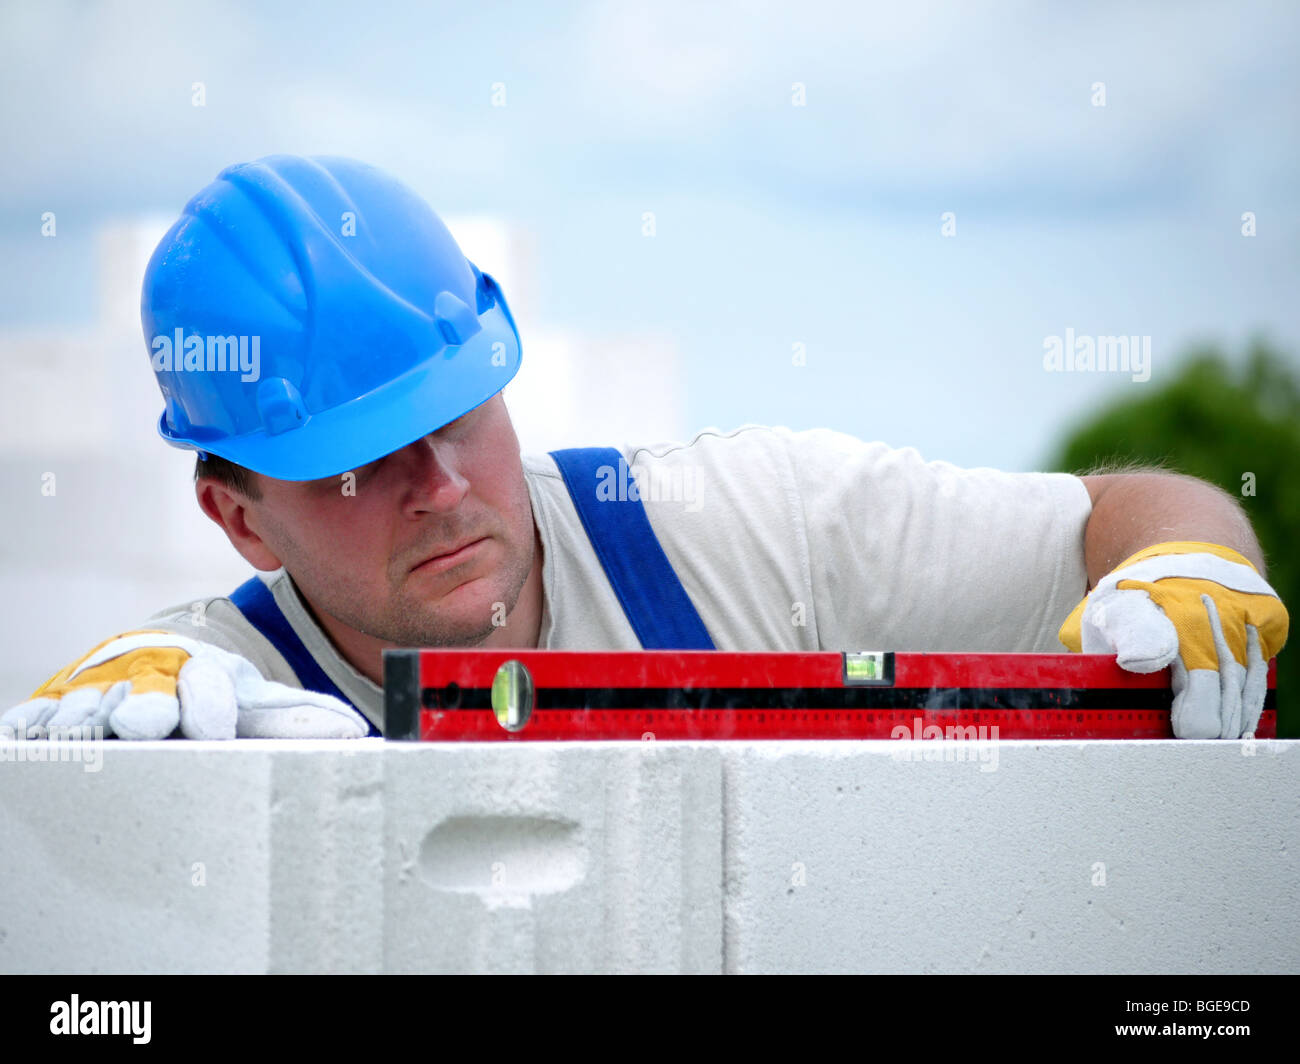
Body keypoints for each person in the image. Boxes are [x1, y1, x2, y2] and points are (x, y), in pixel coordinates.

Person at [3, 155, 1288, 742]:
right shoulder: (201, 699)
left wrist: (1187, 560)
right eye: (358, 460)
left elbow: (1123, 515)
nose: (439, 488)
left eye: (456, 415)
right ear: (237, 518)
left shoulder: (739, 524)